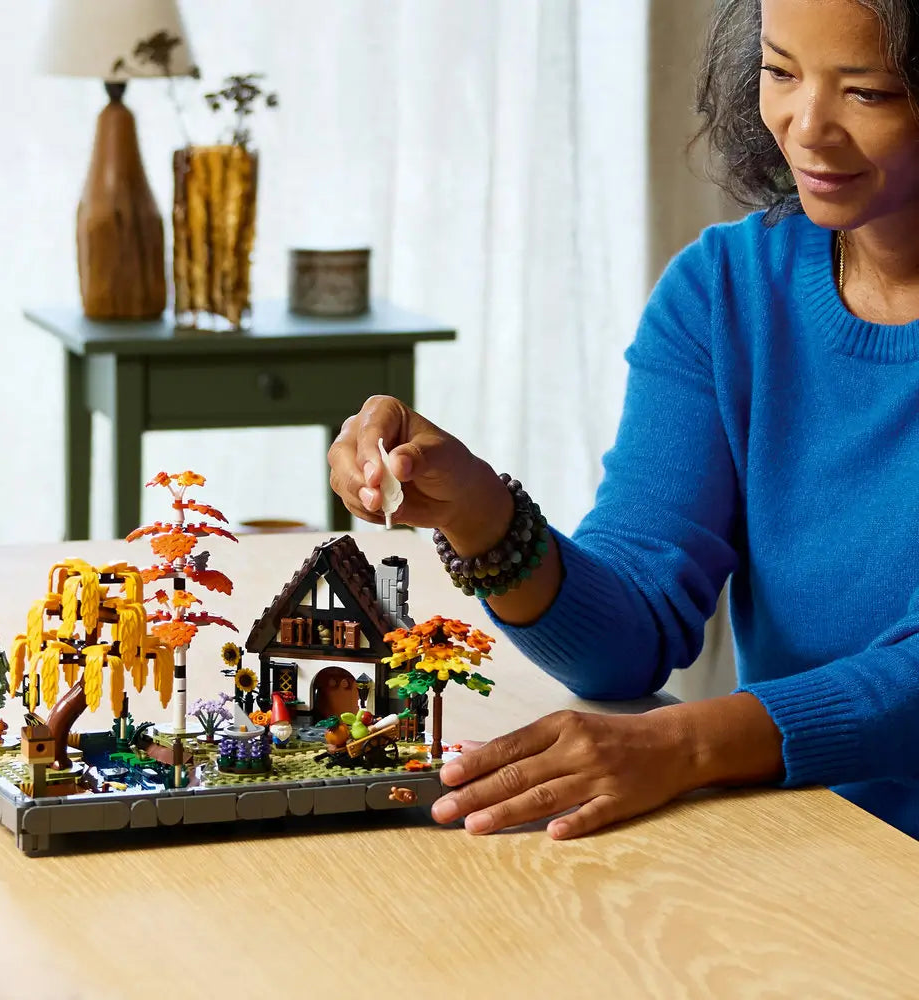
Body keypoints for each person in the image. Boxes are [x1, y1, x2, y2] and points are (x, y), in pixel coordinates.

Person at [328, 0, 919, 841]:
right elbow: (627, 640)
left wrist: (682, 744)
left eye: (868, 92)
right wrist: (480, 513)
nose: (807, 127)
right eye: (780, 71)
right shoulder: (726, 292)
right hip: (812, 850)